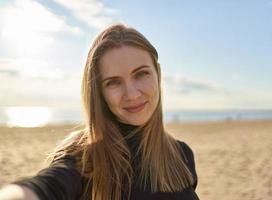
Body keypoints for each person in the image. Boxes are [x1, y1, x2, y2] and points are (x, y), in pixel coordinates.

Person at [0, 24, 199, 200]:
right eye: (113, 82)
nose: (131, 94)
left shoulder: (181, 153)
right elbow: (47, 186)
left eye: (141, 74)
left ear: (157, 74)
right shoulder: (82, 157)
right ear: (99, 93)